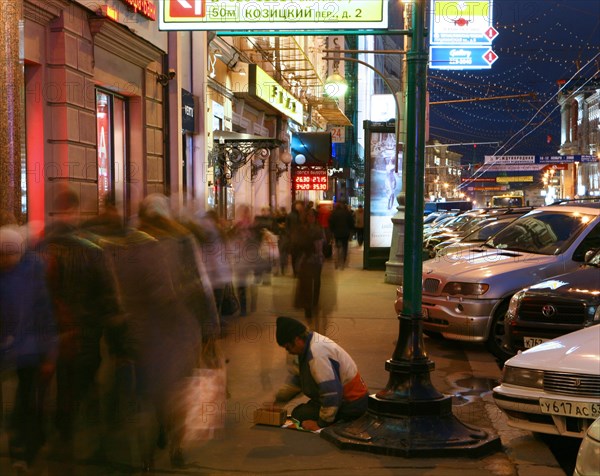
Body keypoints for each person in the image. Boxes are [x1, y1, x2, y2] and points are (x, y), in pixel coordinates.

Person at [0, 225, 57, 472]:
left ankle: (21, 448)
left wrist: (48, 349)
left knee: (25, 400)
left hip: (28, 349)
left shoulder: (32, 271)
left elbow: (43, 312)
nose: (5, 260)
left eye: (9, 255)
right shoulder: (28, 270)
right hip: (12, 347)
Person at [272, 317, 368, 431]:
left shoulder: (317, 354)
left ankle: (337, 421)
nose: (288, 351)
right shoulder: (308, 343)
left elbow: (331, 393)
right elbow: (298, 380)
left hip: (351, 404)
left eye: (288, 347)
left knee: (300, 415)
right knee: (300, 412)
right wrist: (279, 401)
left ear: (297, 339)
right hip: (343, 399)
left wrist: (320, 424)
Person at [328, 201, 354, 269]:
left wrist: (332, 231)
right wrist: (351, 230)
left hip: (336, 233)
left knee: (337, 246)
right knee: (345, 247)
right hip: (345, 232)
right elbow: (351, 222)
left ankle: (337, 261)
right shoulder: (347, 213)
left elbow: (331, 223)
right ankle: (343, 261)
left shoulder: (334, 213)